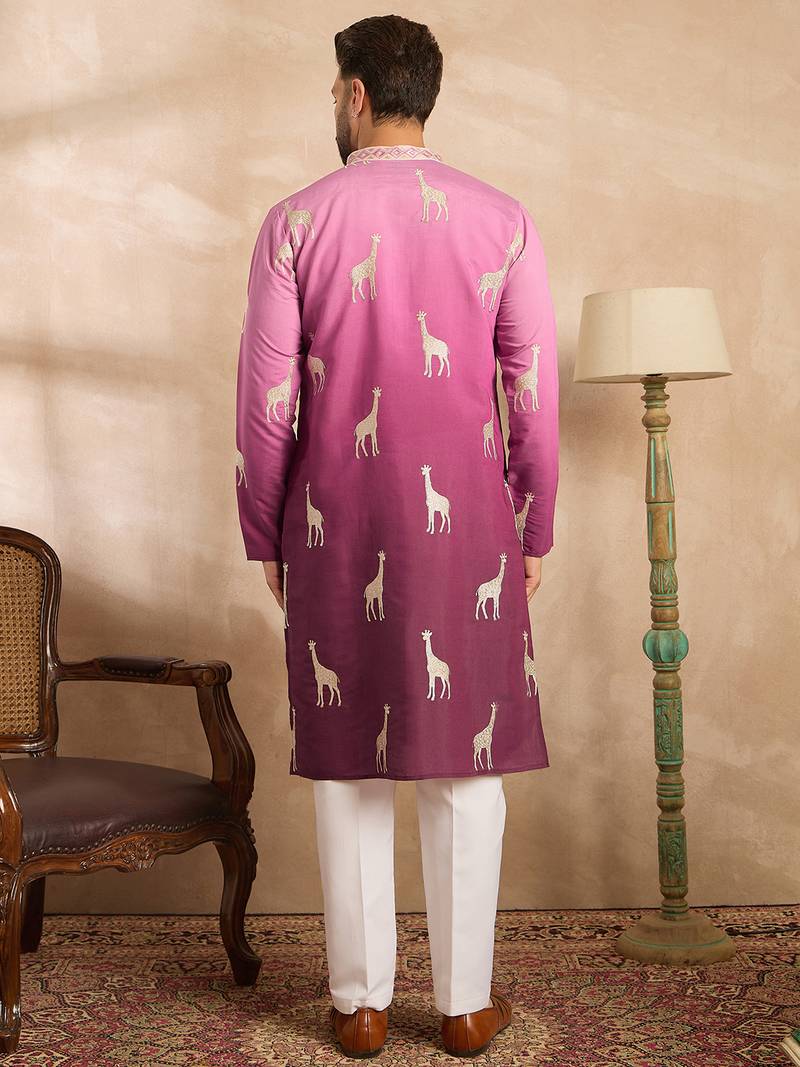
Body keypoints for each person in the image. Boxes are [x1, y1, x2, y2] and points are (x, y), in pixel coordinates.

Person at [234, 13, 559, 1058]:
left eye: (336, 89)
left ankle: (361, 1003)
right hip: (470, 527)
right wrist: (533, 521)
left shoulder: (294, 222)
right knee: (465, 764)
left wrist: (267, 531)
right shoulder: (503, 219)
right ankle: (463, 1004)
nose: (334, 104)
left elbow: (267, 400)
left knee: (351, 761)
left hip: (334, 518)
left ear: (358, 94)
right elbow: (533, 392)